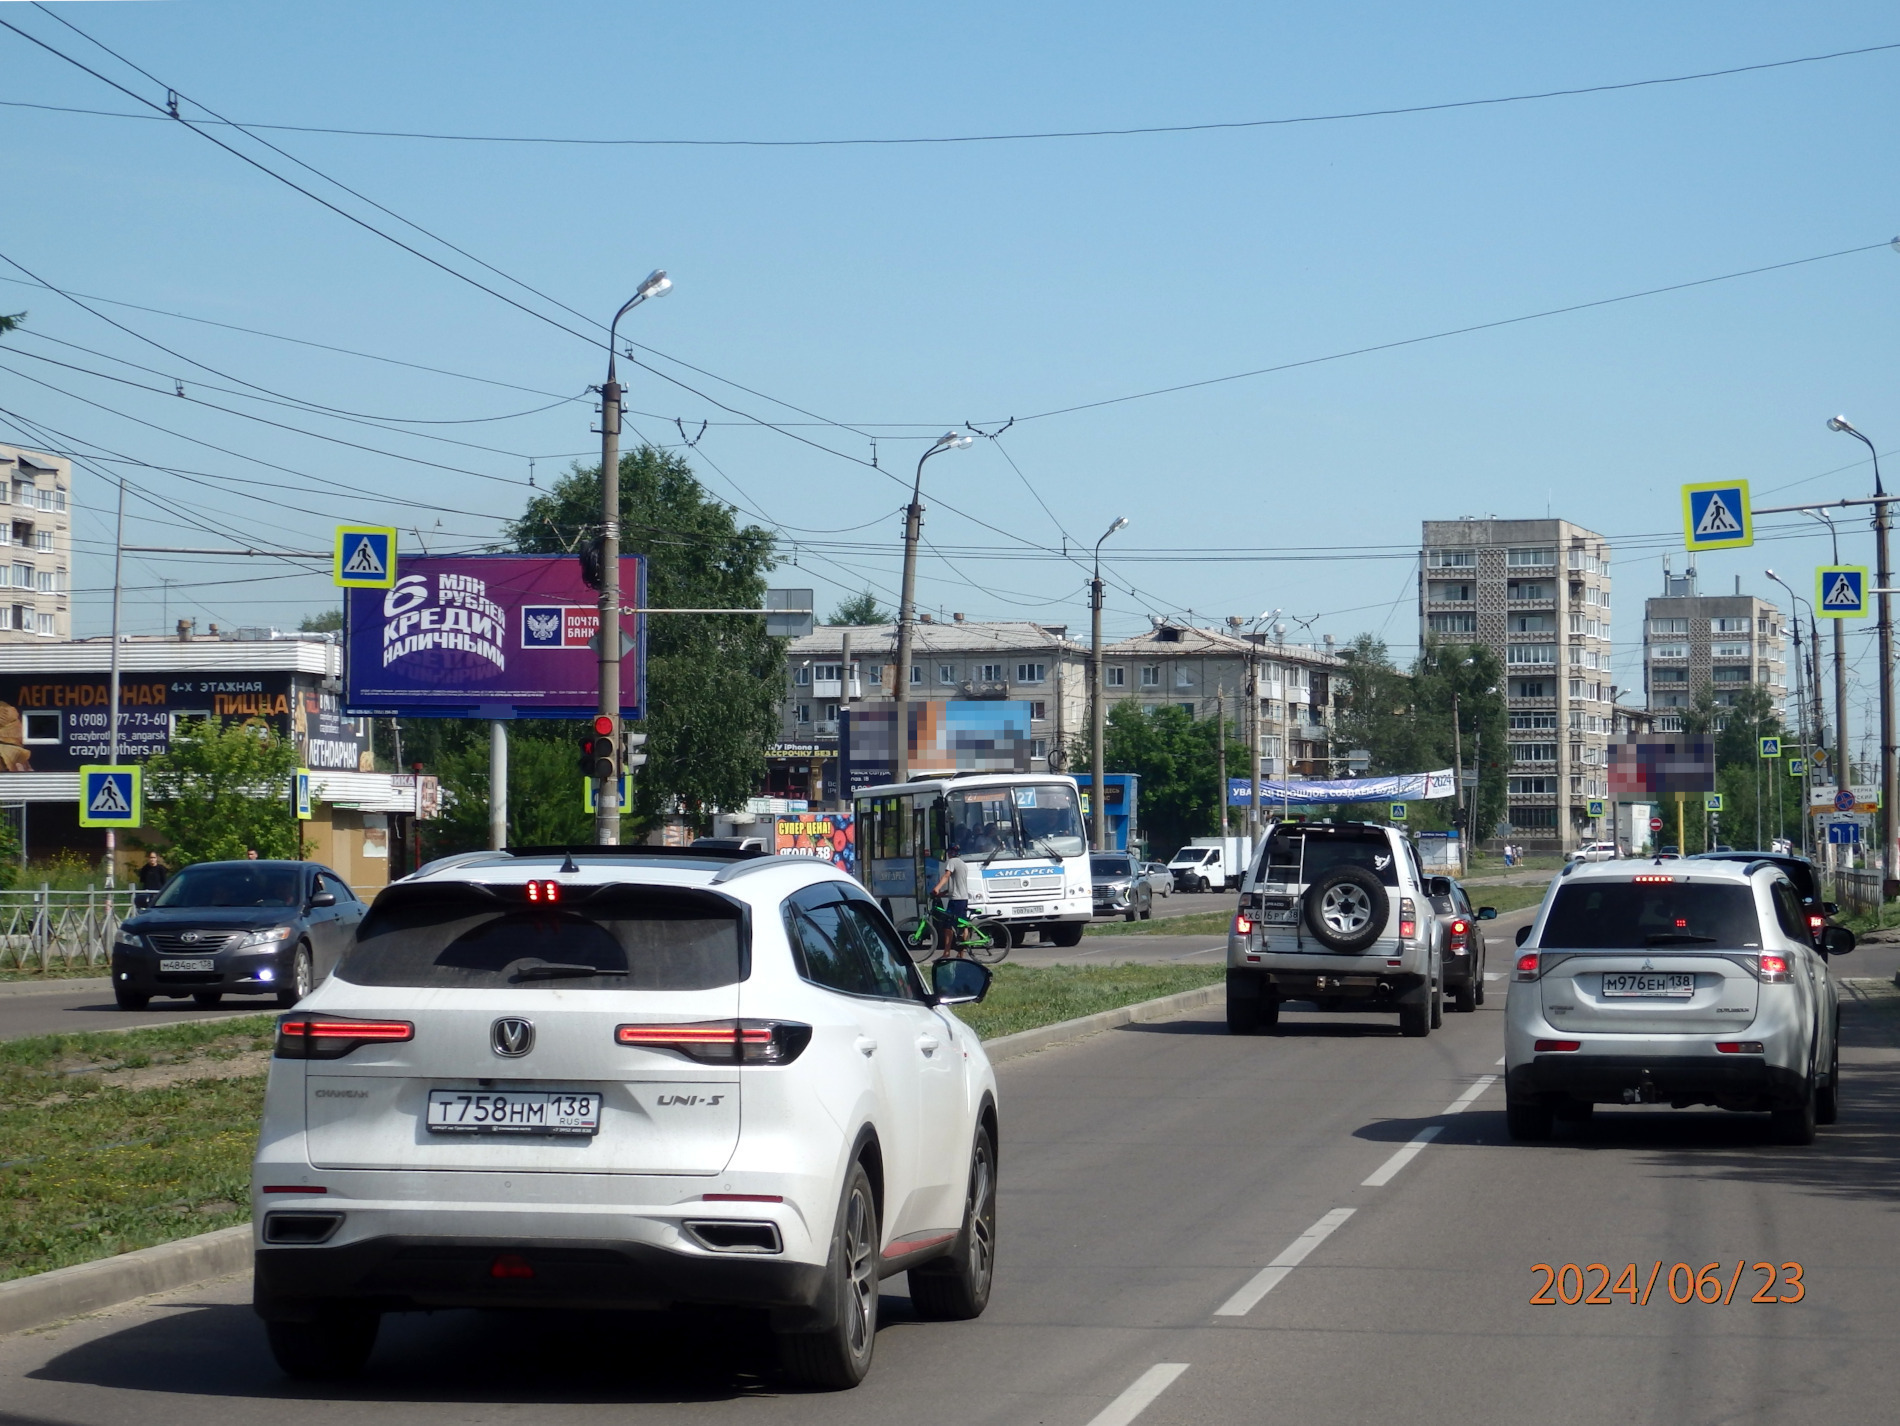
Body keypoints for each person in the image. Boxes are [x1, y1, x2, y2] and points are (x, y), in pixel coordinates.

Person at [932, 841, 973, 953]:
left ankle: (947, 952)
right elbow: (957, 884)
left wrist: (937, 888)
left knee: (948, 926)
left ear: (950, 852)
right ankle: (961, 954)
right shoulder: (963, 864)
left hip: (956, 900)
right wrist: (943, 893)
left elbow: (946, 876)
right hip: (963, 898)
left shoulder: (952, 862)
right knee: (962, 924)